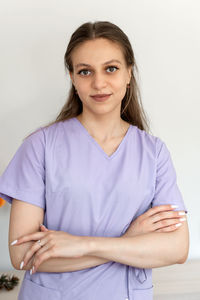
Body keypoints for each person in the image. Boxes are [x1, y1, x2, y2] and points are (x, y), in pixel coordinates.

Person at [0, 21, 189, 300]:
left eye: (110, 68)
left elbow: (176, 249)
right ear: (73, 78)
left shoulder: (153, 152)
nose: (98, 83)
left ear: (128, 73)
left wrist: (81, 245)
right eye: (85, 71)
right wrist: (127, 244)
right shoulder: (40, 146)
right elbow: (21, 255)